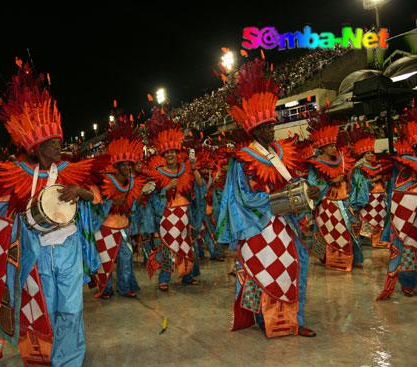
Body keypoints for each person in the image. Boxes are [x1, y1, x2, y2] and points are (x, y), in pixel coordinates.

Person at [0, 64, 107, 366]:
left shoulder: (69, 171)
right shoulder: (18, 175)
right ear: (38, 147)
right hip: (35, 253)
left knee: (71, 308)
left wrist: (80, 193)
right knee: (43, 308)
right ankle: (43, 357)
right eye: (53, 143)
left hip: (68, 249)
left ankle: (69, 361)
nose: (59, 146)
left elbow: (97, 195)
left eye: (59, 141)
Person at [216, 58, 319, 338]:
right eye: (267, 127)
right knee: (262, 271)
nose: (272, 130)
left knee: (298, 263)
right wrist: (272, 198)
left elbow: (291, 181)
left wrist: (306, 189)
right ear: (255, 131)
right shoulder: (242, 158)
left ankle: (293, 319)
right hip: (258, 227)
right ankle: (267, 319)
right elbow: (241, 197)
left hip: (284, 223)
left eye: (272, 126)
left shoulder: (277, 152)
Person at [145, 110, 205, 292]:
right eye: (167, 152)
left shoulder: (186, 168)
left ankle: (187, 275)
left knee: (187, 245)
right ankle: (164, 279)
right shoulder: (157, 173)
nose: (170, 154)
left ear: (177, 152)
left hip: (186, 214)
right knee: (167, 247)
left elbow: (200, 186)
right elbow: (152, 198)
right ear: (163, 154)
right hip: (167, 216)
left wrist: (194, 168)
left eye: (173, 151)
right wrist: (165, 189)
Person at [93, 131, 146, 299]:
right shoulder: (105, 181)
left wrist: (143, 195)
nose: (127, 168)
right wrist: (112, 203)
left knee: (125, 256)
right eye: (123, 165)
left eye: (129, 165)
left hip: (124, 226)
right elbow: (96, 203)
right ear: (116, 166)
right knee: (106, 259)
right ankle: (105, 289)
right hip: (106, 227)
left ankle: (124, 287)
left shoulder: (132, 183)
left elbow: (133, 206)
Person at [307, 115, 363, 271]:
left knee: (350, 227)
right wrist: (330, 182)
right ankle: (324, 257)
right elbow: (313, 185)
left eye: (334, 145)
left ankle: (353, 257)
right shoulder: (316, 164)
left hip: (343, 200)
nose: (333, 148)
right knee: (324, 230)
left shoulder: (341, 159)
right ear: (323, 147)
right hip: (326, 203)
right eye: (330, 146)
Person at [377, 114, 417, 300]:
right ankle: (408, 282)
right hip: (407, 216)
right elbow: (397, 190)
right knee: (408, 247)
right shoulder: (402, 164)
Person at [349, 128, 390, 248]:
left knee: (380, 218)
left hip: (380, 196)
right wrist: (373, 180)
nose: (371, 154)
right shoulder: (359, 168)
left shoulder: (377, 166)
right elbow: (357, 183)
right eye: (368, 153)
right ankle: (370, 240)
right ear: (363, 155)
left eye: (372, 152)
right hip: (369, 197)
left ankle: (378, 239)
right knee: (368, 218)